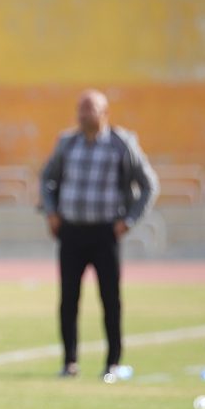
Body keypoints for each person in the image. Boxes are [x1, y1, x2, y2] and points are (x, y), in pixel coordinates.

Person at [40, 89, 159, 378]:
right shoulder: (67, 143)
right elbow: (47, 178)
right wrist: (51, 211)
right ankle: (70, 361)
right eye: (80, 109)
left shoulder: (121, 144)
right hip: (72, 232)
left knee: (110, 299)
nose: (83, 114)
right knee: (68, 299)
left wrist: (129, 220)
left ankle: (113, 363)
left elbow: (149, 184)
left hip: (105, 233)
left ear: (104, 113)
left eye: (89, 109)